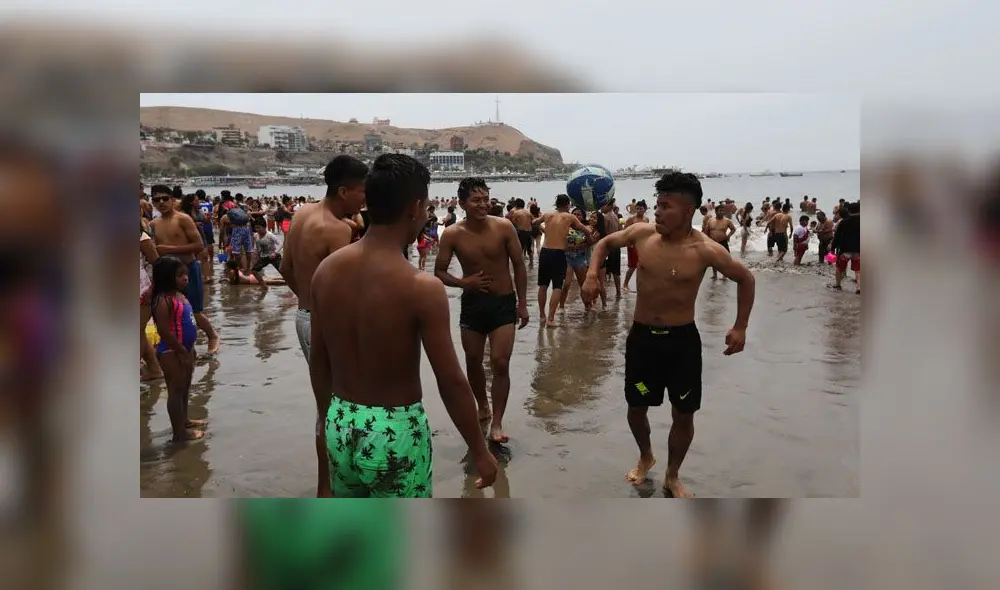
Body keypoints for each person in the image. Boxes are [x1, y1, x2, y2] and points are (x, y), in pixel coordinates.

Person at [309, 154, 498, 497]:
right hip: (394, 432)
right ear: (414, 207)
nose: (426, 215)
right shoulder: (420, 287)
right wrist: (480, 451)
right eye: (426, 207)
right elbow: (452, 382)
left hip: (339, 420)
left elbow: (319, 359)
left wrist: (324, 423)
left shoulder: (326, 271)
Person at [581, 172, 755, 498]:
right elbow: (604, 244)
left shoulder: (706, 249)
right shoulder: (643, 234)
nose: (657, 212)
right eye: (657, 205)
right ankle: (646, 455)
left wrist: (740, 326)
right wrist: (592, 275)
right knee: (636, 406)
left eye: (666, 206)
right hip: (643, 341)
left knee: (684, 412)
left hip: (681, 345)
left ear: (689, 211)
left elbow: (745, 279)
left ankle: (672, 475)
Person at [279, 155, 368, 496]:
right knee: (342, 407)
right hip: (327, 325)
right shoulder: (337, 230)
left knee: (324, 408)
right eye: (362, 192)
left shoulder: (302, 213)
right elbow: (347, 292)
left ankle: (324, 486)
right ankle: (336, 486)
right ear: (344, 191)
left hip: (304, 318)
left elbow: (286, 267)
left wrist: (307, 302)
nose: (365, 200)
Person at [434, 176, 530, 444]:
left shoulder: (504, 227)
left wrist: (522, 304)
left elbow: (519, 266)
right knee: (473, 360)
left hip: (503, 302)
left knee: (500, 361)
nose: (483, 204)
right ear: (462, 203)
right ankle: (482, 406)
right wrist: (465, 283)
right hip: (473, 305)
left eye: (486, 199)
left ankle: (497, 421)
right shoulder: (453, 234)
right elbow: (439, 271)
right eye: (476, 200)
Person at [148, 185, 220, 355]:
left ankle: (212, 336)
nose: (162, 202)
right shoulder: (153, 224)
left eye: (165, 198)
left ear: (172, 200)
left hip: (187, 268)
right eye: (157, 200)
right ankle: (186, 346)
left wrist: (169, 249)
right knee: (172, 311)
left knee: (195, 310)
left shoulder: (183, 219)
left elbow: (198, 245)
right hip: (167, 274)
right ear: (153, 202)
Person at [149, 256, 207, 442]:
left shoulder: (179, 295)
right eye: (180, 275)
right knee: (175, 390)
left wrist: (189, 349)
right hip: (171, 351)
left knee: (185, 387)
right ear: (167, 277)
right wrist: (181, 350)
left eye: (186, 274)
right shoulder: (163, 300)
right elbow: (163, 330)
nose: (186, 278)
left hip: (185, 349)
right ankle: (179, 434)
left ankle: (185, 420)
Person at [531, 194, 594, 327]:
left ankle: (542, 316)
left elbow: (534, 223)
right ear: (568, 205)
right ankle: (551, 319)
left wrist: (544, 230)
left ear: (556, 204)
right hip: (558, 253)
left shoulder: (548, 215)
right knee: (557, 287)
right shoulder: (569, 217)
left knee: (543, 286)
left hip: (545, 252)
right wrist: (590, 233)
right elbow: (584, 229)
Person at [559, 207, 599, 311]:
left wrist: (583, 243)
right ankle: (561, 307)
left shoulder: (586, 228)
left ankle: (587, 306)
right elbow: (557, 240)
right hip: (567, 257)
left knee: (583, 285)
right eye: (574, 214)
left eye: (579, 214)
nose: (576, 216)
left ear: (583, 217)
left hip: (580, 258)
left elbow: (591, 242)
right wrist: (566, 246)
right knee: (566, 284)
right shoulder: (565, 226)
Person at [140, 227, 162, 382]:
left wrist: (153, 288)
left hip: (141, 290)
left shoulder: (141, 237)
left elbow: (159, 265)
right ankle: (155, 370)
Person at [829, 202, 861, 294]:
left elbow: (837, 236)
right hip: (858, 249)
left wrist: (832, 248)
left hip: (844, 249)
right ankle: (859, 287)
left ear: (849, 211)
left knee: (839, 268)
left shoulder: (844, 222)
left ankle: (838, 285)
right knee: (858, 270)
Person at [702, 206, 736, 280]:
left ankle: (725, 275)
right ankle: (715, 275)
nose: (722, 212)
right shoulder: (710, 220)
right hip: (713, 243)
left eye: (723, 211)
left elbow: (733, 229)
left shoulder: (727, 221)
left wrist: (729, 236)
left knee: (725, 259)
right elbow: (706, 232)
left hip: (723, 242)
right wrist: (706, 242)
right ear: (716, 211)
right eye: (720, 210)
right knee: (713, 260)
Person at [622, 200, 649, 291]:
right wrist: (628, 244)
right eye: (637, 209)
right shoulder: (631, 219)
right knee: (632, 266)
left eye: (640, 209)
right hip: (633, 245)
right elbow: (625, 232)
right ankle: (625, 283)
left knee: (642, 266)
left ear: (645, 209)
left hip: (643, 245)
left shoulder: (646, 219)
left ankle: (640, 284)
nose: (638, 211)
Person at [599, 199, 623, 300]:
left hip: (608, 246)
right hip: (616, 246)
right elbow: (620, 230)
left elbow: (603, 233)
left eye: (602, 206)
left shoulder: (606, 217)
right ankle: (618, 292)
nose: (601, 208)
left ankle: (602, 293)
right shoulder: (615, 216)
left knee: (603, 271)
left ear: (608, 206)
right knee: (616, 272)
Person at [509, 198, 535, 269]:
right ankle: (531, 264)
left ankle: (520, 264)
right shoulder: (528, 212)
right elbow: (534, 221)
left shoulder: (516, 213)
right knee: (529, 249)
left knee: (520, 249)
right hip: (529, 232)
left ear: (516, 205)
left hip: (520, 232)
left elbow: (512, 223)